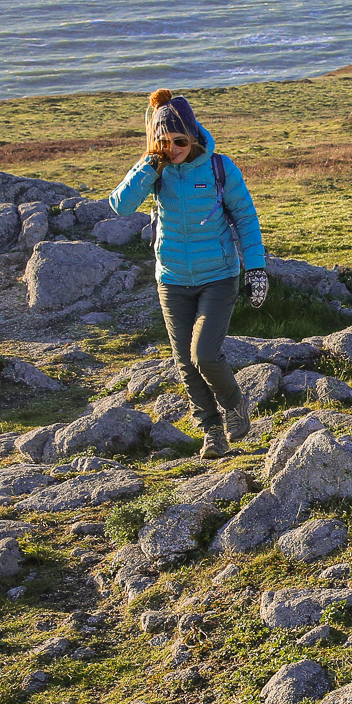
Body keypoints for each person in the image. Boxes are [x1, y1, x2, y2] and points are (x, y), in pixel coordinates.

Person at [110, 89, 268, 458]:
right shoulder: (156, 169)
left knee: (205, 355)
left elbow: (245, 217)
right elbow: (120, 206)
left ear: (194, 135)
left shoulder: (219, 168)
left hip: (218, 276)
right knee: (186, 365)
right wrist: (149, 164)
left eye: (179, 140)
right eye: (163, 141)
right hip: (172, 279)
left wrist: (256, 267)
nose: (173, 148)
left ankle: (235, 405)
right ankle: (213, 433)